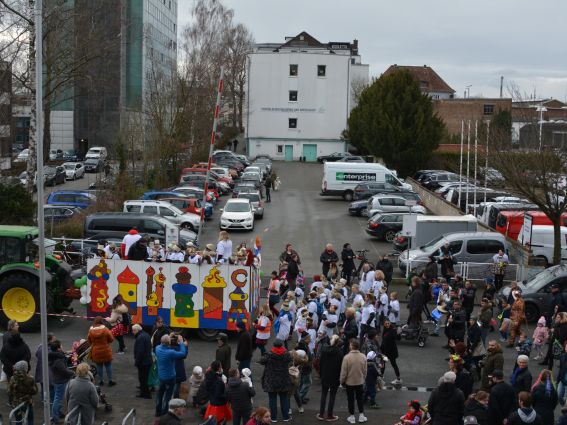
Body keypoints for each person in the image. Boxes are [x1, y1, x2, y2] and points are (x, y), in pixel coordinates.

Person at [155, 334, 188, 417]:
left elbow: (163, 342)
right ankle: (165, 412)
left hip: (161, 376)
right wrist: (181, 343)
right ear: (168, 342)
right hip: (170, 377)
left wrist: (169, 336)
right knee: (168, 396)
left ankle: (158, 411)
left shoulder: (157, 348)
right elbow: (183, 354)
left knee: (159, 394)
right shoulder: (170, 352)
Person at [260, 339, 292, 422]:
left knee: (272, 398)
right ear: (281, 345)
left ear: (274, 346)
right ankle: (286, 417)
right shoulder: (287, 354)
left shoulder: (269, 355)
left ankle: (273, 418)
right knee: (284, 398)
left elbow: (262, 361)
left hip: (271, 380)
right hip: (283, 379)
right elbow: (290, 359)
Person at [340, 339, 368, 424]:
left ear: (352, 346)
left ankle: (352, 416)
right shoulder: (363, 356)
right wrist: (363, 378)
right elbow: (365, 371)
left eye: (350, 345)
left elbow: (344, 372)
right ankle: (361, 415)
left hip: (349, 382)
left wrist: (341, 381)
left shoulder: (347, 357)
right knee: (360, 398)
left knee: (350, 399)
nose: (349, 346)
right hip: (360, 381)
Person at [49, 340, 75, 423]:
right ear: (58, 348)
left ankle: (58, 413)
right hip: (60, 381)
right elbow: (63, 371)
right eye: (61, 345)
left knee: (57, 398)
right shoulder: (58, 360)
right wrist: (72, 372)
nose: (62, 346)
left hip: (56, 379)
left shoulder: (54, 356)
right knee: (58, 399)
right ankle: (55, 417)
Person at [318, 334, 343, 421]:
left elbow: (320, 363)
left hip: (325, 375)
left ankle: (321, 414)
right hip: (335, 377)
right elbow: (341, 366)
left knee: (323, 395)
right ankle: (329, 415)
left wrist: (320, 374)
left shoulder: (324, 350)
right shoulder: (339, 352)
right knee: (332, 395)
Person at [87, 316, 115, 386]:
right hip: (106, 350)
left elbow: (89, 341)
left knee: (99, 366)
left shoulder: (91, 331)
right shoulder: (105, 329)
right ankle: (110, 380)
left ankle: (101, 381)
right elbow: (111, 339)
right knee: (108, 365)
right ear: (102, 321)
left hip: (96, 351)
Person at [9, 360, 37, 425]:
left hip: (16, 402)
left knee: (18, 420)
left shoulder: (13, 378)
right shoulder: (30, 379)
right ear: (26, 369)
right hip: (27, 402)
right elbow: (35, 391)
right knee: (30, 418)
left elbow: (9, 391)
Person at [132, 323, 153, 399]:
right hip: (148, 360)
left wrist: (137, 361)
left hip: (143, 362)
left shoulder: (140, 338)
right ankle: (143, 393)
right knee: (144, 378)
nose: (132, 332)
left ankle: (146, 394)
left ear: (137, 330)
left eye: (133, 330)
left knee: (142, 379)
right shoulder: (146, 335)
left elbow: (140, 351)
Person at [381, 318, 401, 385]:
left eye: (388, 323)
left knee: (393, 364)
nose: (387, 324)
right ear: (384, 324)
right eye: (386, 323)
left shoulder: (393, 330)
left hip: (391, 352)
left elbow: (398, 338)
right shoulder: (385, 330)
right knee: (383, 364)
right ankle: (381, 378)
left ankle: (398, 378)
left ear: (390, 323)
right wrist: (381, 348)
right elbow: (384, 340)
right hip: (385, 352)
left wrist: (398, 334)